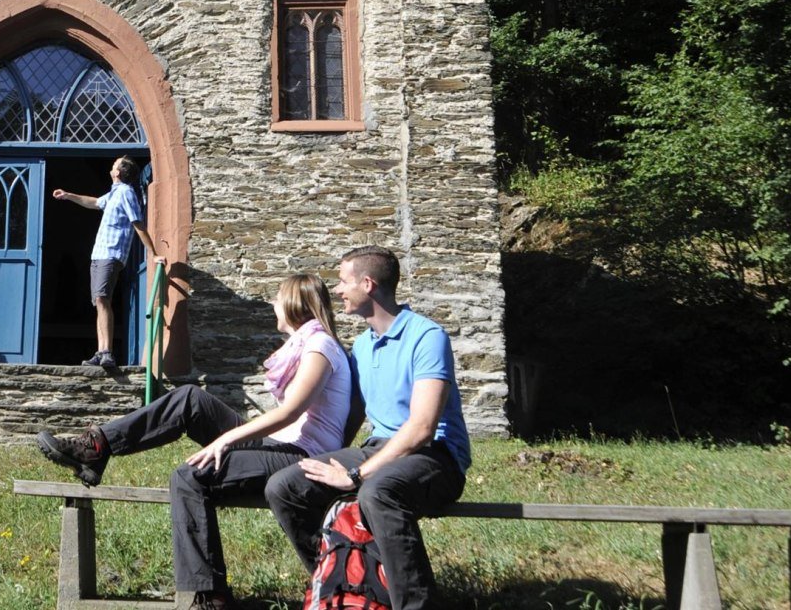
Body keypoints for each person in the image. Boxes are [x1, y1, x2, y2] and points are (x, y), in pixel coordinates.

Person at [37, 273, 356, 610]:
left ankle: (211, 596)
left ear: (293, 303)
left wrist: (225, 441)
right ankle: (97, 448)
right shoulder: (305, 345)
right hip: (278, 446)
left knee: (189, 476)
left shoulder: (320, 346)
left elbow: (290, 413)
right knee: (190, 399)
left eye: (278, 297)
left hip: (300, 458)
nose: (274, 304)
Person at [264, 247, 471, 610]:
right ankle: (345, 582)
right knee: (286, 486)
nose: (339, 290)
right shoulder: (362, 345)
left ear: (368, 284)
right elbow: (354, 413)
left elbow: (422, 427)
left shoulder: (427, 337)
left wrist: (357, 474)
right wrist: (330, 458)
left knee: (378, 492)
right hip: (378, 449)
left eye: (344, 282)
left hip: (434, 458)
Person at [51, 155, 153, 372]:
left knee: (102, 298)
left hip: (111, 253)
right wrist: (69, 195)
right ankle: (101, 351)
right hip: (99, 255)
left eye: (115, 164)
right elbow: (95, 202)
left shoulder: (126, 192)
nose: (112, 166)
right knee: (99, 301)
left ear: (118, 172)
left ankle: (107, 352)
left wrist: (153, 253)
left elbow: (137, 223)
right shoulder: (114, 193)